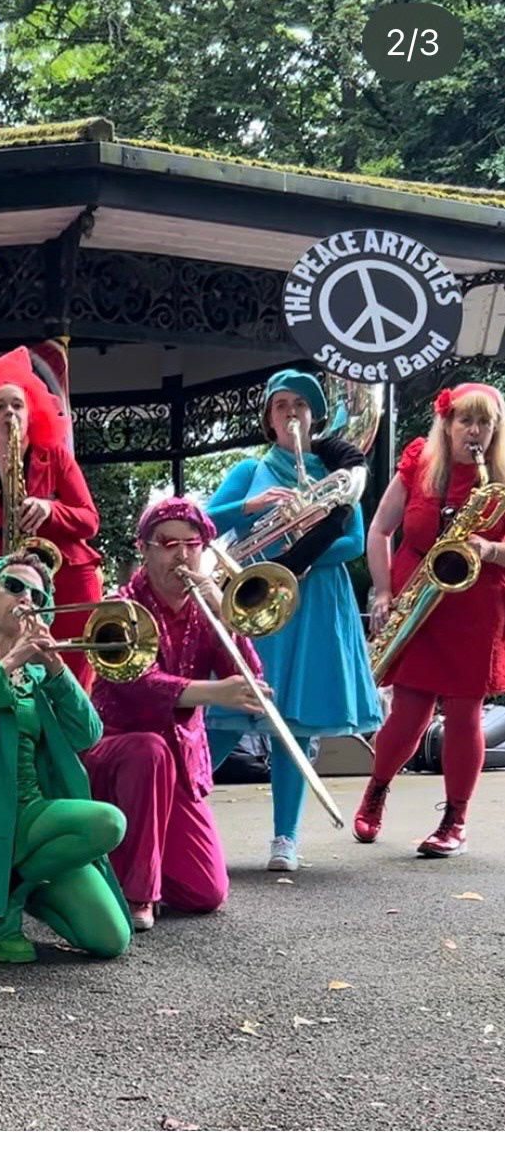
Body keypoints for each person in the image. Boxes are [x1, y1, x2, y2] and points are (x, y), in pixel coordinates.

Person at [204, 367, 380, 873]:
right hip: (257, 600)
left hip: (315, 600)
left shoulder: (334, 473)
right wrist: (252, 505)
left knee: (295, 723)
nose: (292, 413)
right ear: (269, 419)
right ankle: (175, 808)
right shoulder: (249, 471)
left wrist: (302, 552)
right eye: (282, 406)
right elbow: (203, 521)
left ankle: (286, 838)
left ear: (315, 417)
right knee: (230, 715)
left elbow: (353, 541)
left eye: (300, 405)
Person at [0, 553, 132, 964]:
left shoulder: (38, 672)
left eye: (37, 595)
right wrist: (10, 661)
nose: (27, 599)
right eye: (14, 587)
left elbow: (88, 734)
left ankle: (12, 891)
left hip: (33, 814)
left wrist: (55, 668)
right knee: (108, 821)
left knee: (111, 939)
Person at [84, 498, 265, 933]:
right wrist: (214, 693)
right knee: (149, 751)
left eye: (192, 544)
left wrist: (224, 614)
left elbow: (251, 678)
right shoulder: (120, 606)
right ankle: (137, 892)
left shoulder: (206, 607)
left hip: (180, 763)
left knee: (207, 893)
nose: (182, 556)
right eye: (168, 544)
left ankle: (116, 861)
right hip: (118, 752)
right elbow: (138, 684)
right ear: (144, 550)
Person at [355, 381, 505, 856]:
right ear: (448, 423)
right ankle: (377, 788)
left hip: (476, 605)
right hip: (417, 594)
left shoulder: (500, 476)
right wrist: (382, 591)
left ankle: (455, 819)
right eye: (466, 420)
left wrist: (490, 549)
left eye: (485, 423)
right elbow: (380, 530)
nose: (475, 431)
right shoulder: (420, 461)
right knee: (408, 711)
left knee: (464, 713)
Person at [0, 347, 103, 689]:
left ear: (31, 415)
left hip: (72, 583)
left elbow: (90, 521)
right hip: (17, 592)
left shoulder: (56, 457)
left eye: (17, 405)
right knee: (24, 685)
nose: (9, 413)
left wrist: (50, 509)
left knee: (73, 685)